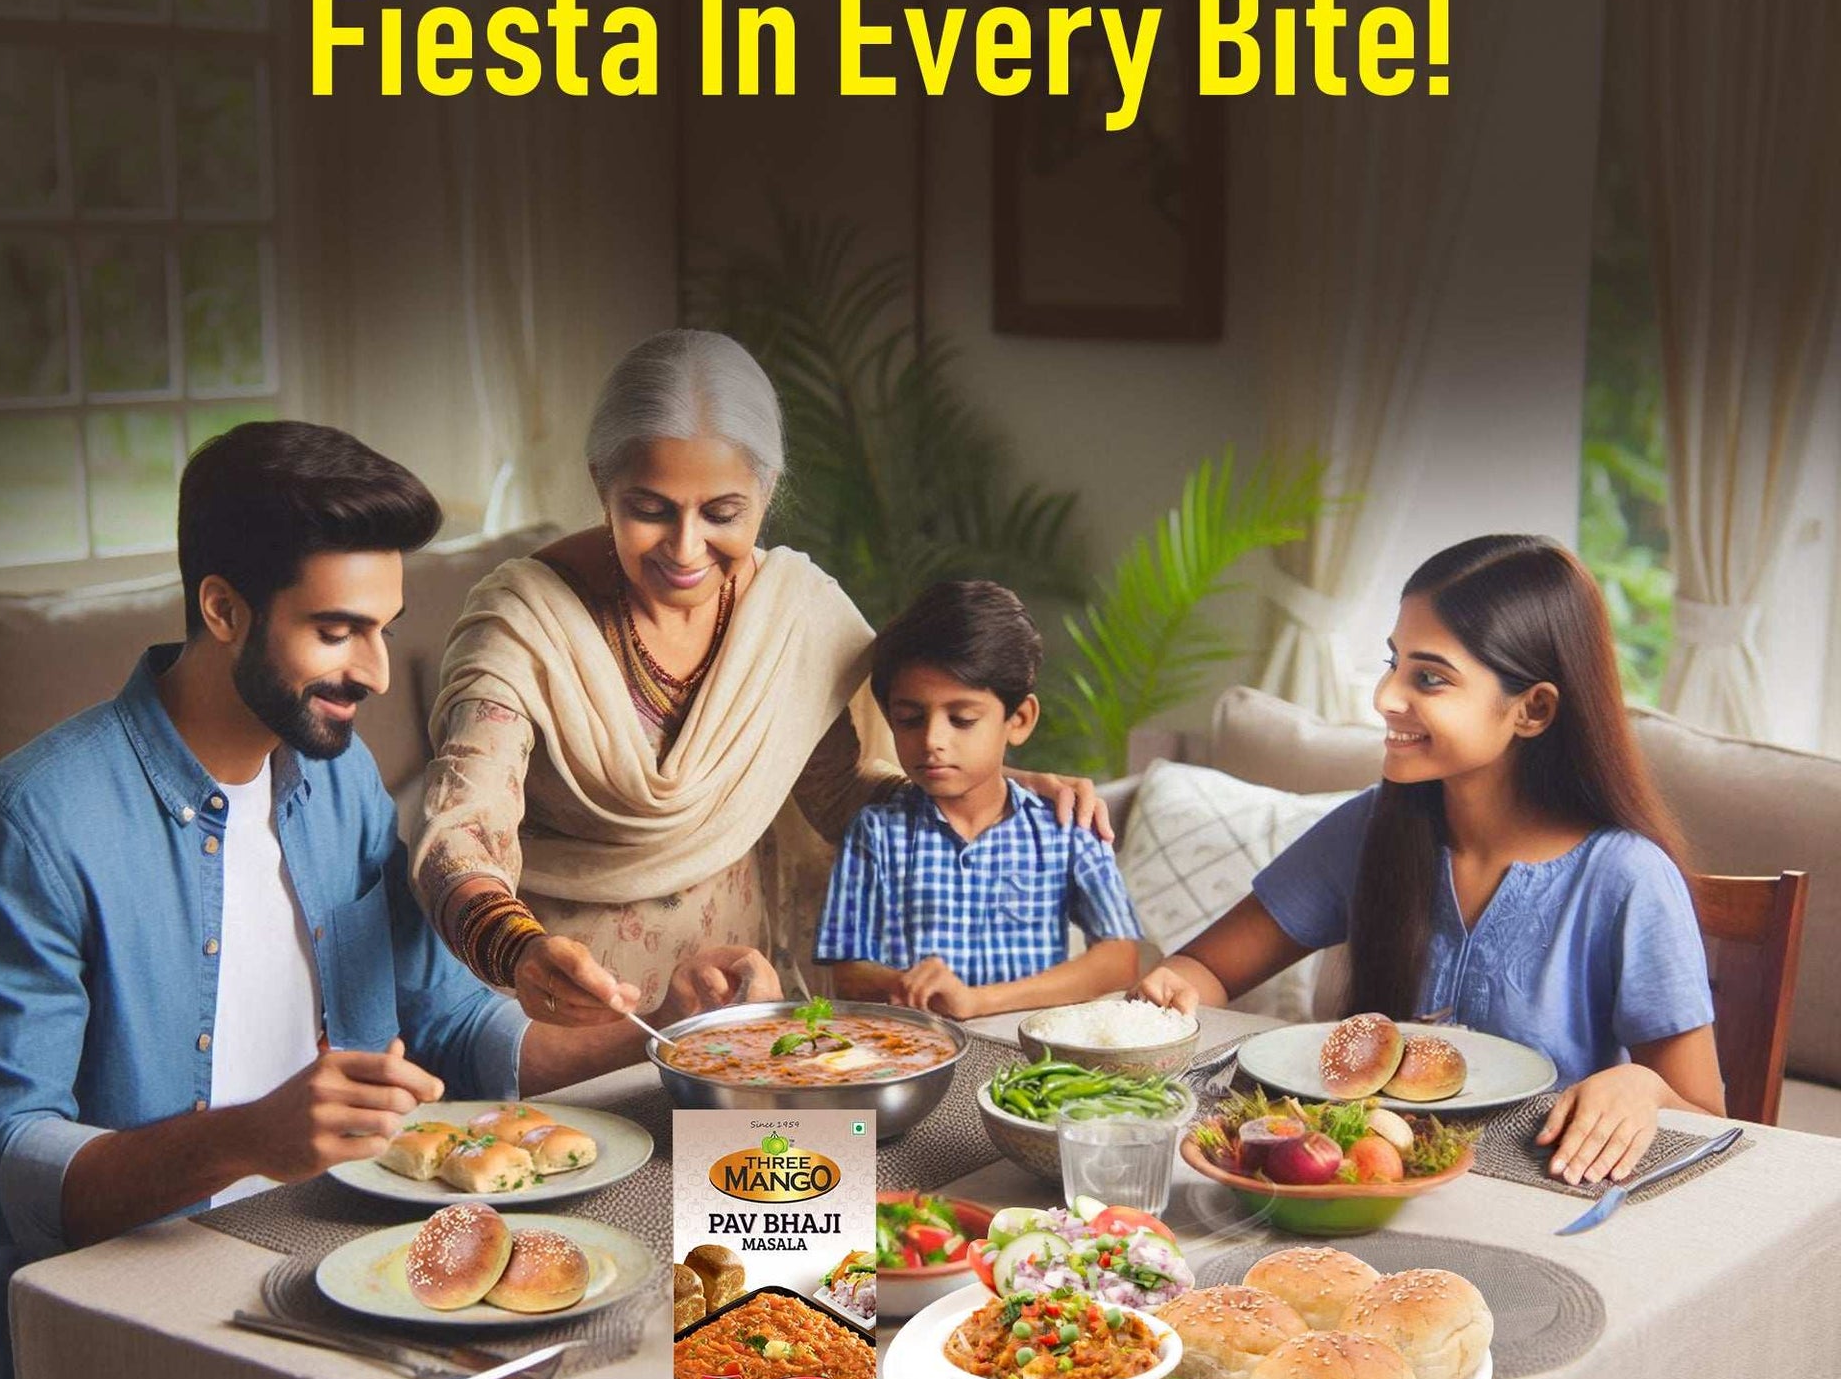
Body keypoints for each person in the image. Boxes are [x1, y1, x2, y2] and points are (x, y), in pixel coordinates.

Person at [0, 421, 763, 1379]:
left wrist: (665, 1025)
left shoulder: (338, 776)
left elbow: (453, 1024)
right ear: (223, 608)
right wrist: (247, 1138)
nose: (372, 669)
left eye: (383, 625)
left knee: (696, 1355)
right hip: (131, 1334)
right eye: (335, 630)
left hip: (352, 1266)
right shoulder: (31, 828)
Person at [411, 329, 1109, 1025]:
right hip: (556, 1018)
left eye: (722, 513)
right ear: (602, 483)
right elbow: (462, 829)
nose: (686, 549)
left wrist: (998, 791)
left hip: (738, 1013)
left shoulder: (793, 617)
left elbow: (841, 794)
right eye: (649, 509)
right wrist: (520, 953)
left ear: (766, 490)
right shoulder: (525, 623)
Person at [1134, 534, 1725, 1185]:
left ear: (1533, 709)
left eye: (1430, 678)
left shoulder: (1626, 879)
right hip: (1364, 1190)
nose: (1386, 696)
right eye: (1393, 662)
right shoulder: (1372, 827)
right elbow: (1207, 967)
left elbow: (1703, 1113)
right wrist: (1177, 986)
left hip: (1546, 1200)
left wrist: (1644, 1086)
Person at [814, 579, 1143, 1018]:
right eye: (910, 720)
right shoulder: (876, 832)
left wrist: (979, 1002)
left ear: (1019, 719)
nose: (932, 740)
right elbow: (847, 972)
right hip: (912, 1050)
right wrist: (907, 985)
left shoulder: (1065, 825)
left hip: (1030, 1058)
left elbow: (1120, 959)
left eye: (962, 719)